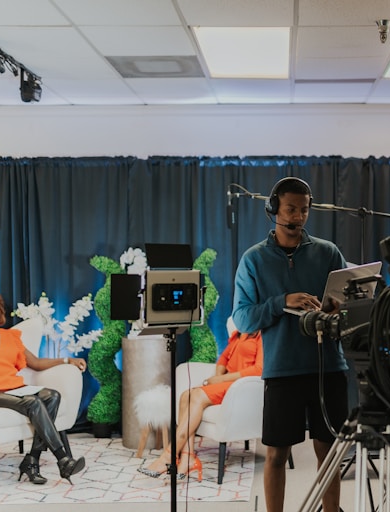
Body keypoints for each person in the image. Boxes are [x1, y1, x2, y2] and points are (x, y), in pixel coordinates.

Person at [232, 177, 349, 512]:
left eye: (304, 210)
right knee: (277, 454)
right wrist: (282, 301)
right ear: (273, 210)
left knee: (329, 453)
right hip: (283, 370)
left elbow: (344, 305)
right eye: (291, 210)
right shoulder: (254, 260)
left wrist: (338, 308)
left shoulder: (328, 252)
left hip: (329, 367)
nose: (298, 217)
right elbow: (242, 319)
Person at [0, 290, 87, 485]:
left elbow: (36, 363)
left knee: (52, 396)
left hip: (14, 388)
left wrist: (67, 360)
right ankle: (63, 459)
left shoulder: (10, 336)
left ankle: (32, 460)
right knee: (34, 402)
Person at [137, 325, 263, 480]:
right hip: (226, 384)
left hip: (242, 387)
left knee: (196, 395)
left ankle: (169, 455)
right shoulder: (238, 334)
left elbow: (258, 369)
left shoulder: (262, 335)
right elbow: (223, 359)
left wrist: (221, 379)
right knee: (185, 396)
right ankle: (188, 457)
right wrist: (217, 377)